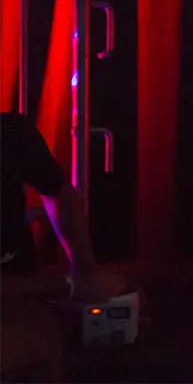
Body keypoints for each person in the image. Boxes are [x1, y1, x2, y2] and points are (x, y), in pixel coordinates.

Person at [1, 112, 128, 381]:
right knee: (37, 337)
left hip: (23, 281)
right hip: (16, 294)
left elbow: (60, 194)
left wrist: (86, 270)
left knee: (126, 296)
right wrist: (70, 285)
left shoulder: (11, 131)